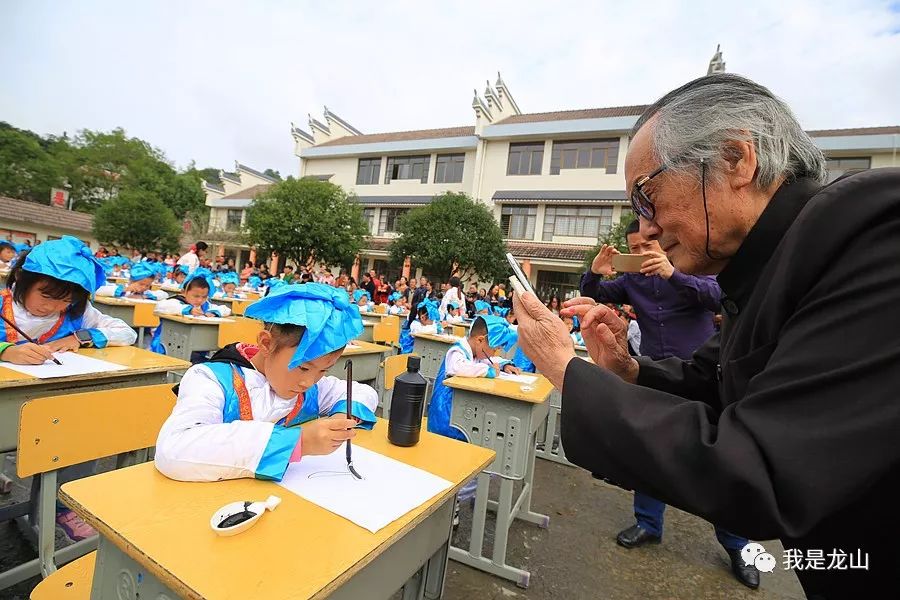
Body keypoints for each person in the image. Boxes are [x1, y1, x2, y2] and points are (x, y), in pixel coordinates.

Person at [513, 73, 900, 598]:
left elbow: (762, 469)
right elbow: (714, 379)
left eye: (646, 198)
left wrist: (567, 369)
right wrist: (629, 370)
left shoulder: (871, 233)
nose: (644, 228)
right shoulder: (761, 266)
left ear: (737, 161)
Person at [155, 283, 377, 482]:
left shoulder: (312, 387)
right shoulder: (211, 379)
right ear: (266, 343)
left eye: (324, 370)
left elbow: (361, 392)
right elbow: (174, 449)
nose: (309, 382)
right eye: (303, 367)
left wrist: (340, 419)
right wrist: (298, 442)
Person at [0, 236, 137, 541]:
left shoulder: (74, 312)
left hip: (52, 403)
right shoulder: (3, 305)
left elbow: (126, 332)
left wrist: (79, 337)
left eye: (65, 300)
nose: (54, 307)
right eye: (47, 296)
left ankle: (63, 505)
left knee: (83, 428)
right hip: (7, 405)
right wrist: (5, 350)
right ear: (21, 278)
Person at [427, 315, 520, 440]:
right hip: (445, 419)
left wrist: (504, 365)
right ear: (480, 340)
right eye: (494, 349)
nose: (494, 353)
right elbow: (460, 367)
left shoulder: (476, 353)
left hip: (460, 413)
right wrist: (488, 371)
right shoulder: (457, 351)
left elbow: (490, 360)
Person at [153, 269, 231, 361]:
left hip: (196, 347)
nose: (200, 300)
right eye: (196, 296)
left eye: (204, 297)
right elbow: (160, 306)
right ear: (184, 292)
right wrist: (187, 310)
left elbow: (226, 309)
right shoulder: (176, 301)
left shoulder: (206, 306)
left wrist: (214, 313)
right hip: (169, 345)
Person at [95, 262, 168, 301]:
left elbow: (165, 294)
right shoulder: (121, 288)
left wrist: (145, 296)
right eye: (141, 284)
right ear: (131, 281)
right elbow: (98, 290)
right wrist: (125, 289)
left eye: (147, 286)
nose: (144, 287)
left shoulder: (146, 293)